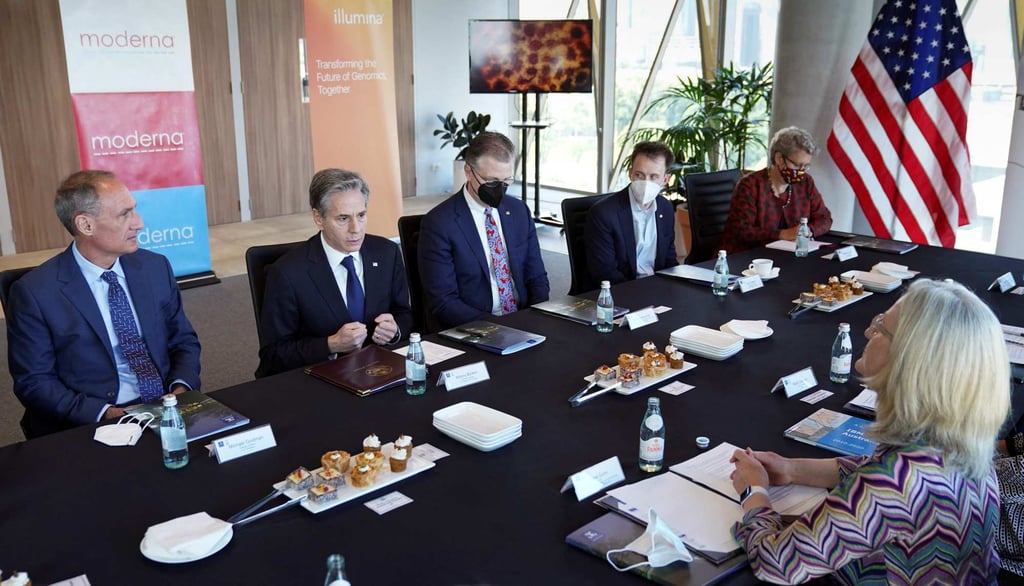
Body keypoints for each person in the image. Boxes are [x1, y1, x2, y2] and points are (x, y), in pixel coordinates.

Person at [730, 279, 1008, 584]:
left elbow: (777, 562)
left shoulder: (892, 483)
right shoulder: (957, 443)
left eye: (881, 328)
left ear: (909, 360)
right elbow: (872, 469)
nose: (867, 332)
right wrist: (792, 468)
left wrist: (753, 492)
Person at [7, 170, 201, 438]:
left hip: (165, 406)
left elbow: (184, 341)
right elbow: (35, 382)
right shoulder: (35, 293)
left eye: (134, 210)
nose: (139, 223)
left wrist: (181, 389)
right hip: (93, 418)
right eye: (125, 214)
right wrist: (106, 413)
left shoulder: (155, 267)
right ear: (86, 225)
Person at [255, 168, 413, 377]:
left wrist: (395, 331)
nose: (355, 228)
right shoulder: (287, 272)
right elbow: (273, 354)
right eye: (343, 218)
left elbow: (404, 314)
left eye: (361, 215)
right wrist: (330, 345)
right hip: (316, 380)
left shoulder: (386, 253)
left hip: (379, 371)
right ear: (318, 218)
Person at [418, 131, 550, 329]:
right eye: (491, 182)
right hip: (473, 327)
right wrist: (502, 328)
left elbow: (537, 277)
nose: (500, 189)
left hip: (522, 320)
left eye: (506, 182)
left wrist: (536, 319)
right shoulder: (439, 223)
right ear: (469, 172)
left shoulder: (518, 211)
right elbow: (444, 302)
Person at [719, 126, 833, 254]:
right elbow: (741, 231)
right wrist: (782, 234)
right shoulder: (750, 185)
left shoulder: (805, 182)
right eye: (797, 165)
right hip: (747, 256)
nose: (801, 171)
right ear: (779, 158)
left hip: (787, 255)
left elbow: (825, 218)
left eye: (805, 166)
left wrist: (807, 231)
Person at [584, 141, 678, 285]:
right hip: (622, 291)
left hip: (657, 288)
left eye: (653, 177)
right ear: (630, 174)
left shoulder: (665, 208)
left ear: (665, 179)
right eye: (639, 175)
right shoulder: (604, 214)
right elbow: (605, 273)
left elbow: (669, 261)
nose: (646, 183)